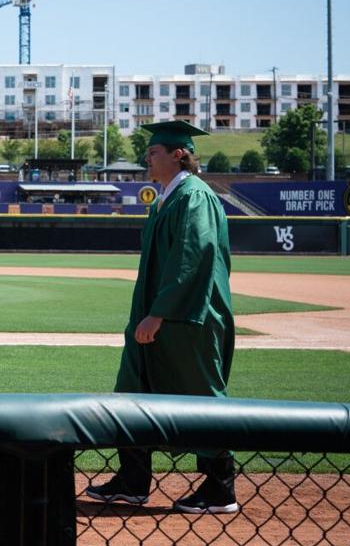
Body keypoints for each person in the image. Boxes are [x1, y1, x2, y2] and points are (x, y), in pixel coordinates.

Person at [84, 120, 237, 515]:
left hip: (188, 318)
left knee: (200, 397)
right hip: (157, 317)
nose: (147, 158)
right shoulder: (166, 198)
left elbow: (193, 257)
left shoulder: (195, 197)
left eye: (154, 152)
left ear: (179, 155)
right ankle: (133, 481)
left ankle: (221, 487)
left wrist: (160, 314)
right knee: (132, 392)